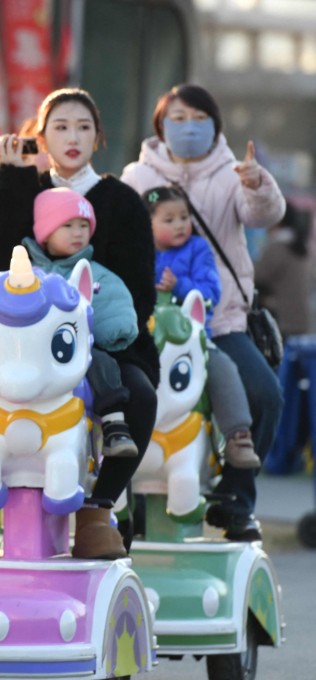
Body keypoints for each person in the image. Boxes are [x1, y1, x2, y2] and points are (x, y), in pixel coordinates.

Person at [0, 87, 158, 560]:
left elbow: (140, 289)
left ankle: (98, 510)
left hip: (106, 340)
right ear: (40, 136)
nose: (72, 137)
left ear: (99, 137)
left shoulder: (121, 200)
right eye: (60, 127)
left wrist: (91, 329)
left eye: (83, 126)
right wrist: (11, 177)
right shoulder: (28, 187)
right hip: (22, 342)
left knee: (139, 395)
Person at [121, 83, 285, 541]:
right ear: (160, 125)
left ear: (215, 125)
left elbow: (263, 214)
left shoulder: (232, 173)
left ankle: (236, 498)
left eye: (198, 118)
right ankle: (119, 502)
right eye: (178, 118)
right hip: (147, 323)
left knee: (265, 395)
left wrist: (258, 183)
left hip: (219, 322)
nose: (188, 127)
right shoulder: (137, 177)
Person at [145, 186, 261, 469]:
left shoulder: (197, 249)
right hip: (148, 334)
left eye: (184, 217)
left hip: (191, 337)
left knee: (223, 367)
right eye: (169, 219)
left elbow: (211, 292)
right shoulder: (140, 250)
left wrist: (180, 286)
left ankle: (238, 434)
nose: (180, 225)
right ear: (148, 224)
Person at [27, 188, 139, 459]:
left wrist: (115, 328)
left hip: (73, 349)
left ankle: (114, 424)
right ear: (45, 233)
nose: (78, 232)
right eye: (67, 225)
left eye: (83, 225)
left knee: (102, 362)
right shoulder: (26, 270)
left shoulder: (96, 273)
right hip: (29, 350)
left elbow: (114, 302)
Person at [255, 201, 313, 338]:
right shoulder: (300, 245)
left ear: (277, 220)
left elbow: (256, 276)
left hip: (282, 321)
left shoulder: (278, 247)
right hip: (301, 321)